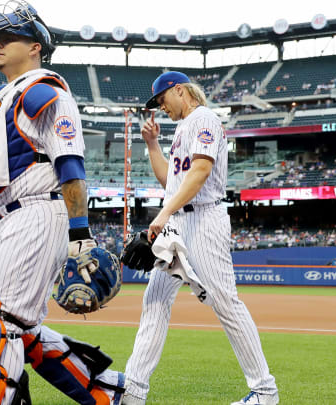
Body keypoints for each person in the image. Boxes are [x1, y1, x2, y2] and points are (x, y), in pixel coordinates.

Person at [0, 2, 124, 403]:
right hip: (11, 218)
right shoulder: (1, 99)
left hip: (38, 210)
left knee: (0, 324)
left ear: (35, 46)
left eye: (7, 38)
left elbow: (70, 167)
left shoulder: (44, 93)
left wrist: (80, 233)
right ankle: (108, 393)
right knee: (24, 331)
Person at [121, 72, 279, 405]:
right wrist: (152, 145)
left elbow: (201, 170)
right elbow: (172, 182)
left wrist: (162, 215)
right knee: (155, 301)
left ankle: (265, 392)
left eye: (162, 99)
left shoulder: (204, 118)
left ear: (180, 90)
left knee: (225, 304)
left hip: (203, 220)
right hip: (178, 223)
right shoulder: (182, 128)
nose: (160, 107)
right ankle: (133, 391)